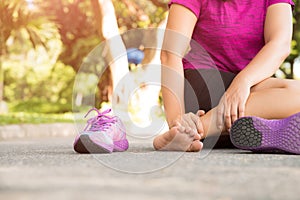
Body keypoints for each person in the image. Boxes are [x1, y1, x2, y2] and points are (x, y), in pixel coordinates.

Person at [153, 0, 300, 153]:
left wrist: (243, 82)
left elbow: (280, 45)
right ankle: (191, 130)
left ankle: (199, 129)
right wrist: (177, 121)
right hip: (204, 89)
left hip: (248, 90)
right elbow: (170, 54)